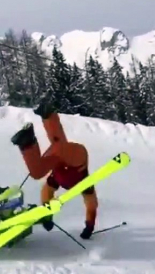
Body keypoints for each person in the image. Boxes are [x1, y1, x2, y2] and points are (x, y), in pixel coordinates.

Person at [10, 101, 98, 239]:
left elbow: (46, 192)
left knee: (56, 145)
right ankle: (30, 138)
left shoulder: (55, 180)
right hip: (78, 157)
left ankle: (47, 114)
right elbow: (91, 204)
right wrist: (90, 225)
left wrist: (48, 215)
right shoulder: (85, 184)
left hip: (61, 155)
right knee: (39, 169)